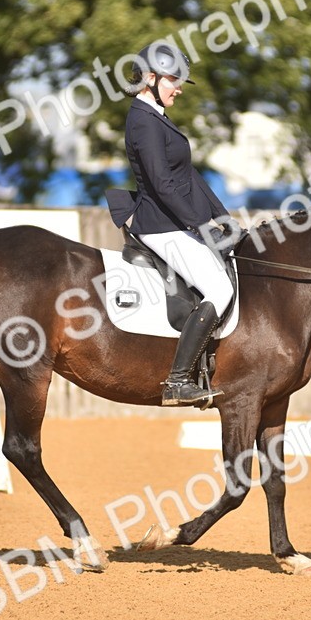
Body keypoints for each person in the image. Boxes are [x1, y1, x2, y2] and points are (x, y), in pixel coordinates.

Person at [106, 41, 237, 407]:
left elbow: (188, 175)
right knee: (220, 290)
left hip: (176, 222)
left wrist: (221, 216)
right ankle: (178, 381)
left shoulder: (157, 116)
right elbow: (162, 184)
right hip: (160, 225)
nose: (179, 87)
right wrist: (201, 224)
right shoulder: (142, 120)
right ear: (150, 77)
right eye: (173, 79)